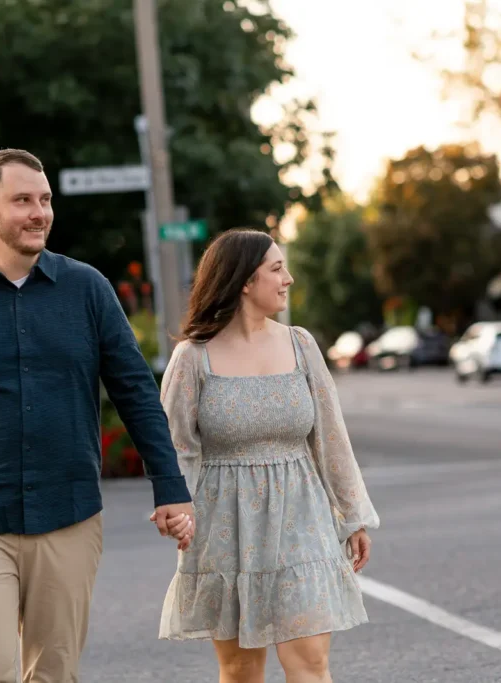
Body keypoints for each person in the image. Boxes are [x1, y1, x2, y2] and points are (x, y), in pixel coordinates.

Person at [0, 148, 195, 683]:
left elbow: (134, 391)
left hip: (69, 515)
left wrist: (169, 485)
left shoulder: (88, 290)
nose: (39, 213)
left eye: (45, 200)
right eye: (22, 201)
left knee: (54, 674)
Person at [156, 228, 380, 682]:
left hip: (303, 515)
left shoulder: (300, 344)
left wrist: (352, 515)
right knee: (240, 670)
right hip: (224, 525)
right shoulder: (193, 357)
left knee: (311, 662)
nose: (289, 279)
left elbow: (331, 437)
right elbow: (177, 448)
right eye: (277, 269)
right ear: (243, 280)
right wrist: (177, 510)